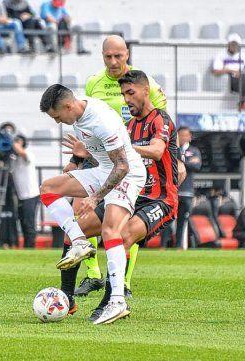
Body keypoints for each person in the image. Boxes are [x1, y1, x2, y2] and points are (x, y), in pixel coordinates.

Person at [59, 70, 181, 322]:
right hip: (128, 193)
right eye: (123, 94)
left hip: (159, 199)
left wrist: (121, 146)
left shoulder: (162, 120)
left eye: (130, 93)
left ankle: (110, 303)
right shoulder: (128, 126)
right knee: (74, 231)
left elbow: (157, 151)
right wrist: (82, 157)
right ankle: (66, 297)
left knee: (121, 236)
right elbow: (110, 158)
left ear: (146, 91)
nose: (126, 99)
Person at [39, 84, 147, 325]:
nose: (57, 122)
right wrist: (77, 161)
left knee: (110, 229)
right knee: (48, 188)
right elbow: (97, 150)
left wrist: (96, 197)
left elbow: (122, 166)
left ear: (68, 106)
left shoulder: (101, 120)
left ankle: (117, 301)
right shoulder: (78, 113)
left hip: (128, 175)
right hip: (104, 170)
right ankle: (79, 242)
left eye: (57, 117)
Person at [70, 35, 169, 298]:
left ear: (127, 54)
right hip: (99, 156)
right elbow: (83, 121)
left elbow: (164, 122)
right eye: (108, 57)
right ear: (102, 56)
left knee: (126, 215)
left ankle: (122, 280)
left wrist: (176, 158)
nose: (113, 62)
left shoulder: (145, 84)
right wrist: (78, 159)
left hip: (132, 160)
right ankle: (92, 274)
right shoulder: (94, 83)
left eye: (118, 56)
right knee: (79, 209)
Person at [161, 126, 200, 248]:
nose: (182, 137)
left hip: (187, 192)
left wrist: (181, 162)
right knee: (166, 219)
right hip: (172, 191)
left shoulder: (194, 150)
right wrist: (186, 161)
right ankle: (163, 246)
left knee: (182, 221)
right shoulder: (171, 149)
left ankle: (178, 246)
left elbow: (197, 166)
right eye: (180, 135)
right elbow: (169, 164)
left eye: (185, 135)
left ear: (190, 137)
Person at [11, 134, 40, 248]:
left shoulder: (28, 153)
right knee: (22, 222)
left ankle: (31, 246)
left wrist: (14, 144)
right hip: (19, 194)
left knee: (29, 223)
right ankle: (26, 247)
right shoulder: (13, 158)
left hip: (30, 194)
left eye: (19, 141)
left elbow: (22, 153)